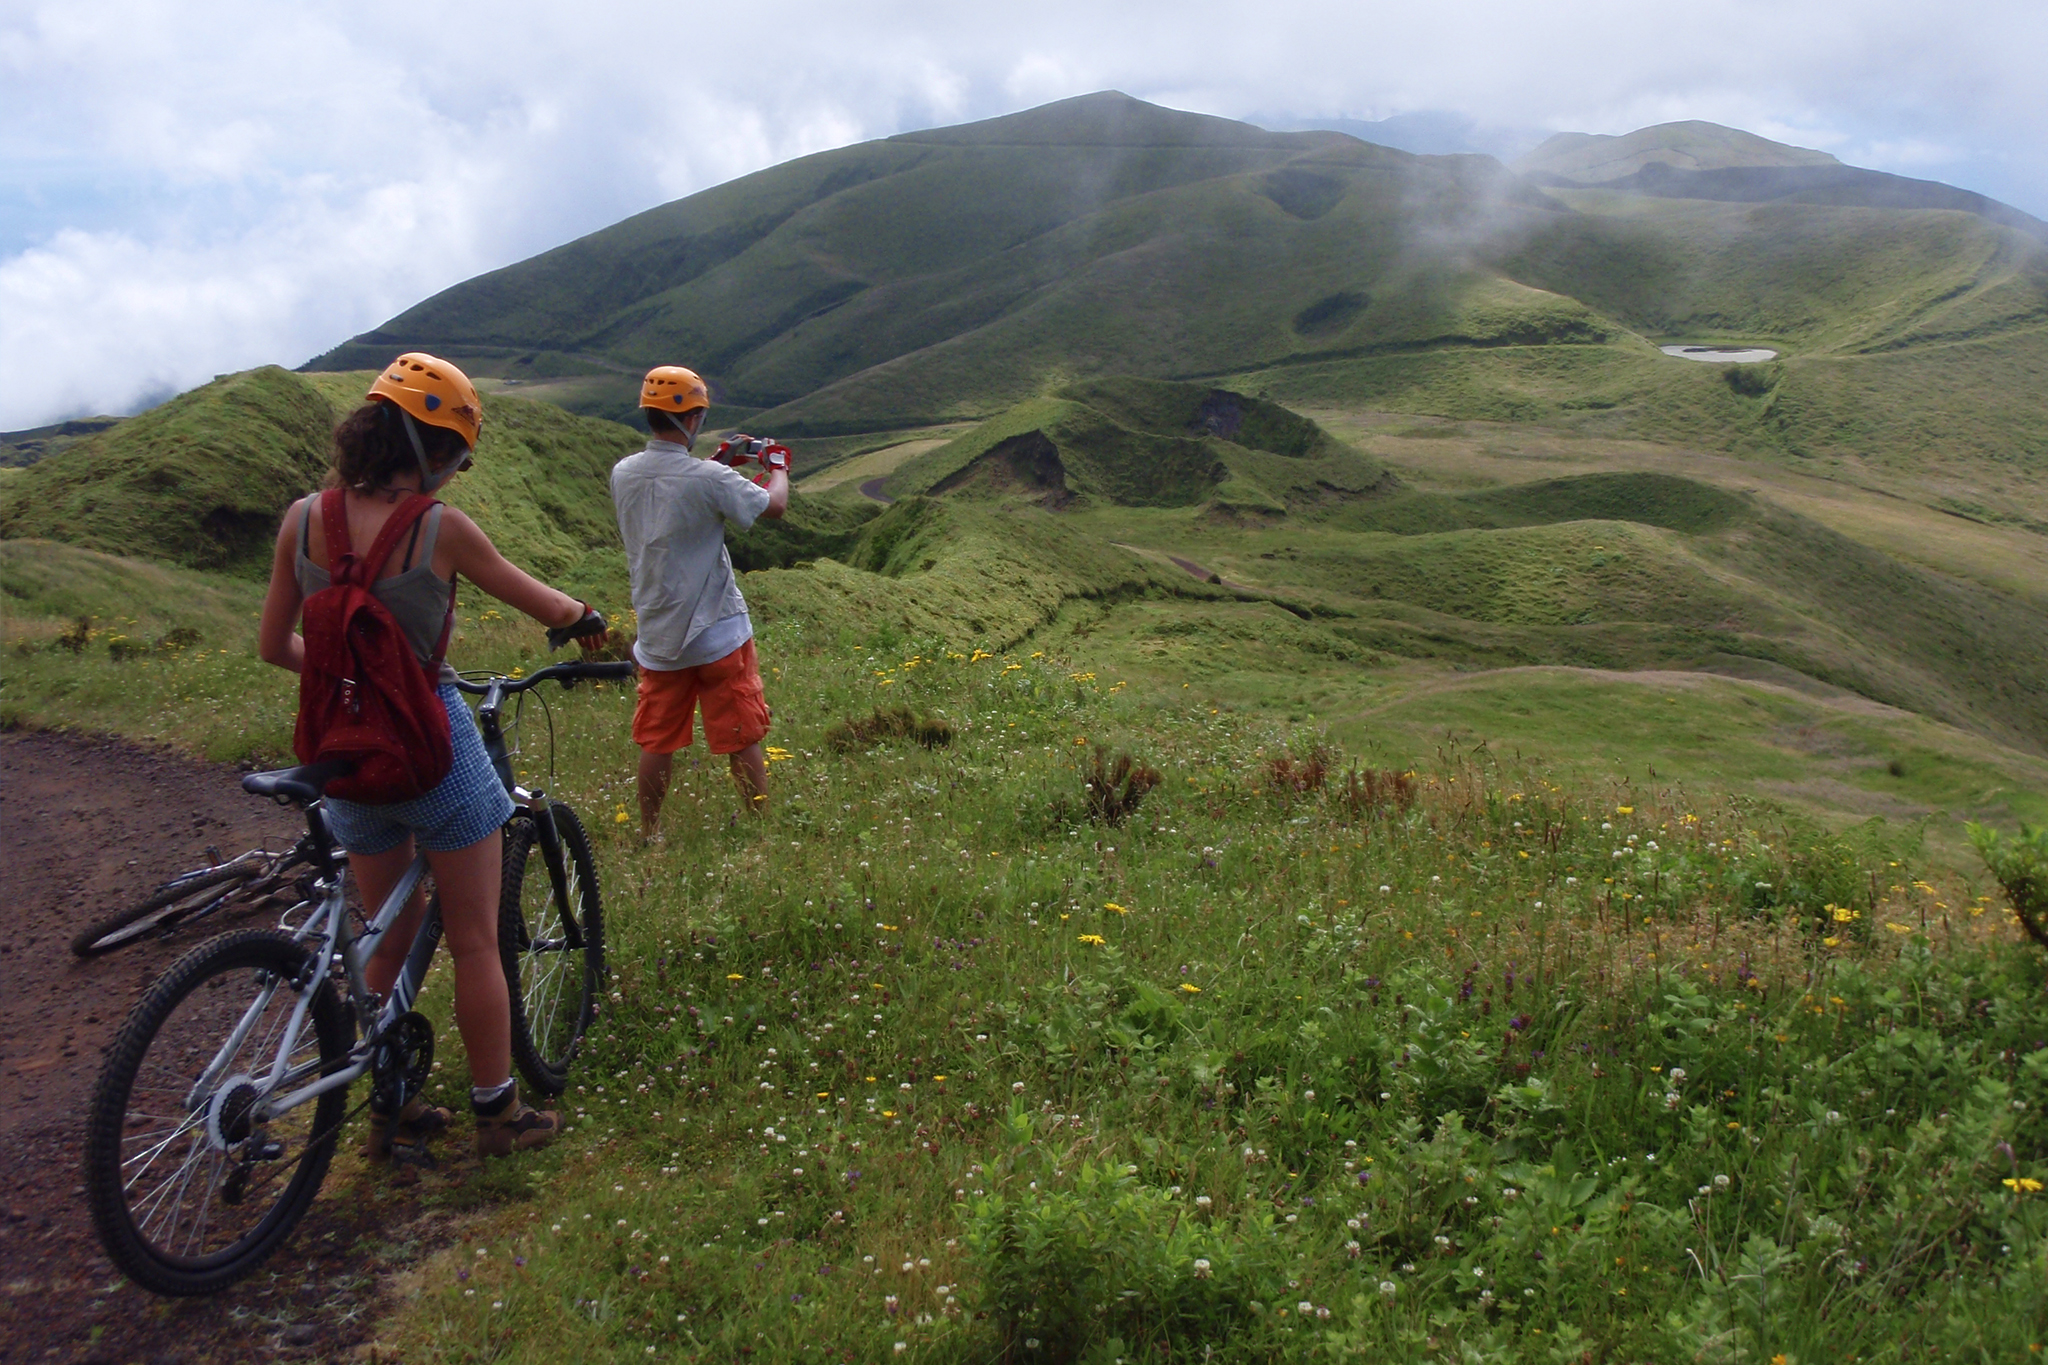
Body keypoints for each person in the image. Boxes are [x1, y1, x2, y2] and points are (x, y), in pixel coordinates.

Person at [256, 352, 607, 1161]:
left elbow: (275, 645)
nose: (452, 472)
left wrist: (352, 676)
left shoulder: (301, 519)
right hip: (430, 749)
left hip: (341, 752)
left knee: (385, 934)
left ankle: (393, 1100)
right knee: (478, 940)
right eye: (452, 455)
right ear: (426, 451)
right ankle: (500, 1113)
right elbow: (537, 598)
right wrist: (584, 616)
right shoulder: (438, 528)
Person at [612, 365, 789, 836]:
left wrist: (715, 464)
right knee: (741, 734)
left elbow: (677, 494)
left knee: (657, 740)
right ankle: (758, 825)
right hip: (717, 630)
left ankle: (649, 832)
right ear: (692, 418)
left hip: (658, 634)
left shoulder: (623, 474)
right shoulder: (708, 478)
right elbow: (774, 505)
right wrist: (777, 468)